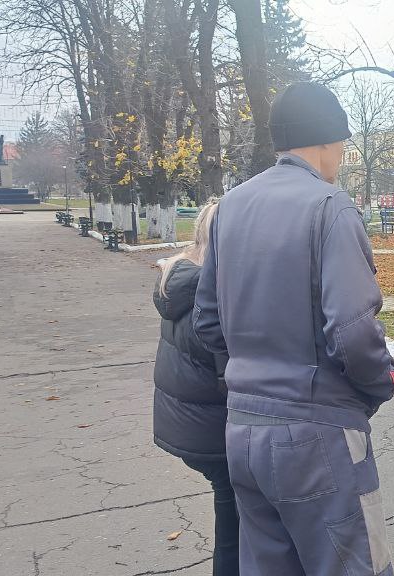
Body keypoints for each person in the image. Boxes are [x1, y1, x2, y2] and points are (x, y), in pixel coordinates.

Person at [194, 82, 394, 576]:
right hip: (316, 434)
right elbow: (352, 330)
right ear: (327, 141)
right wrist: (377, 386)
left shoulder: (231, 207)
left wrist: (247, 378)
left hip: (243, 433)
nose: (343, 156)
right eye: (343, 145)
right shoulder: (330, 206)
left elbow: (207, 320)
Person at [151, 202, 236, 576]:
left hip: (186, 425)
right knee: (238, 525)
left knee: (235, 514)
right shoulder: (213, 294)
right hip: (213, 431)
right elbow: (231, 378)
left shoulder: (181, 278)